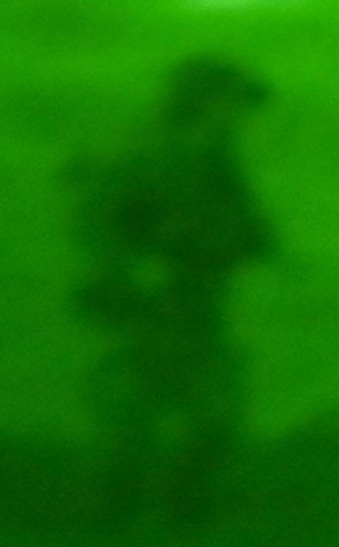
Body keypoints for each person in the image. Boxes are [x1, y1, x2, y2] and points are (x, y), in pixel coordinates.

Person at [67, 54, 278, 521]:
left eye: (238, 105)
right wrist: (129, 268)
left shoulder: (216, 158)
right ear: (202, 102)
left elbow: (247, 226)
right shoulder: (148, 149)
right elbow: (98, 215)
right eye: (230, 102)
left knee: (212, 417)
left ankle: (177, 508)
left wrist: (244, 242)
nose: (238, 115)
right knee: (137, 411)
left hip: (198, 303)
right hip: (152, 304)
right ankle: (118, 511)